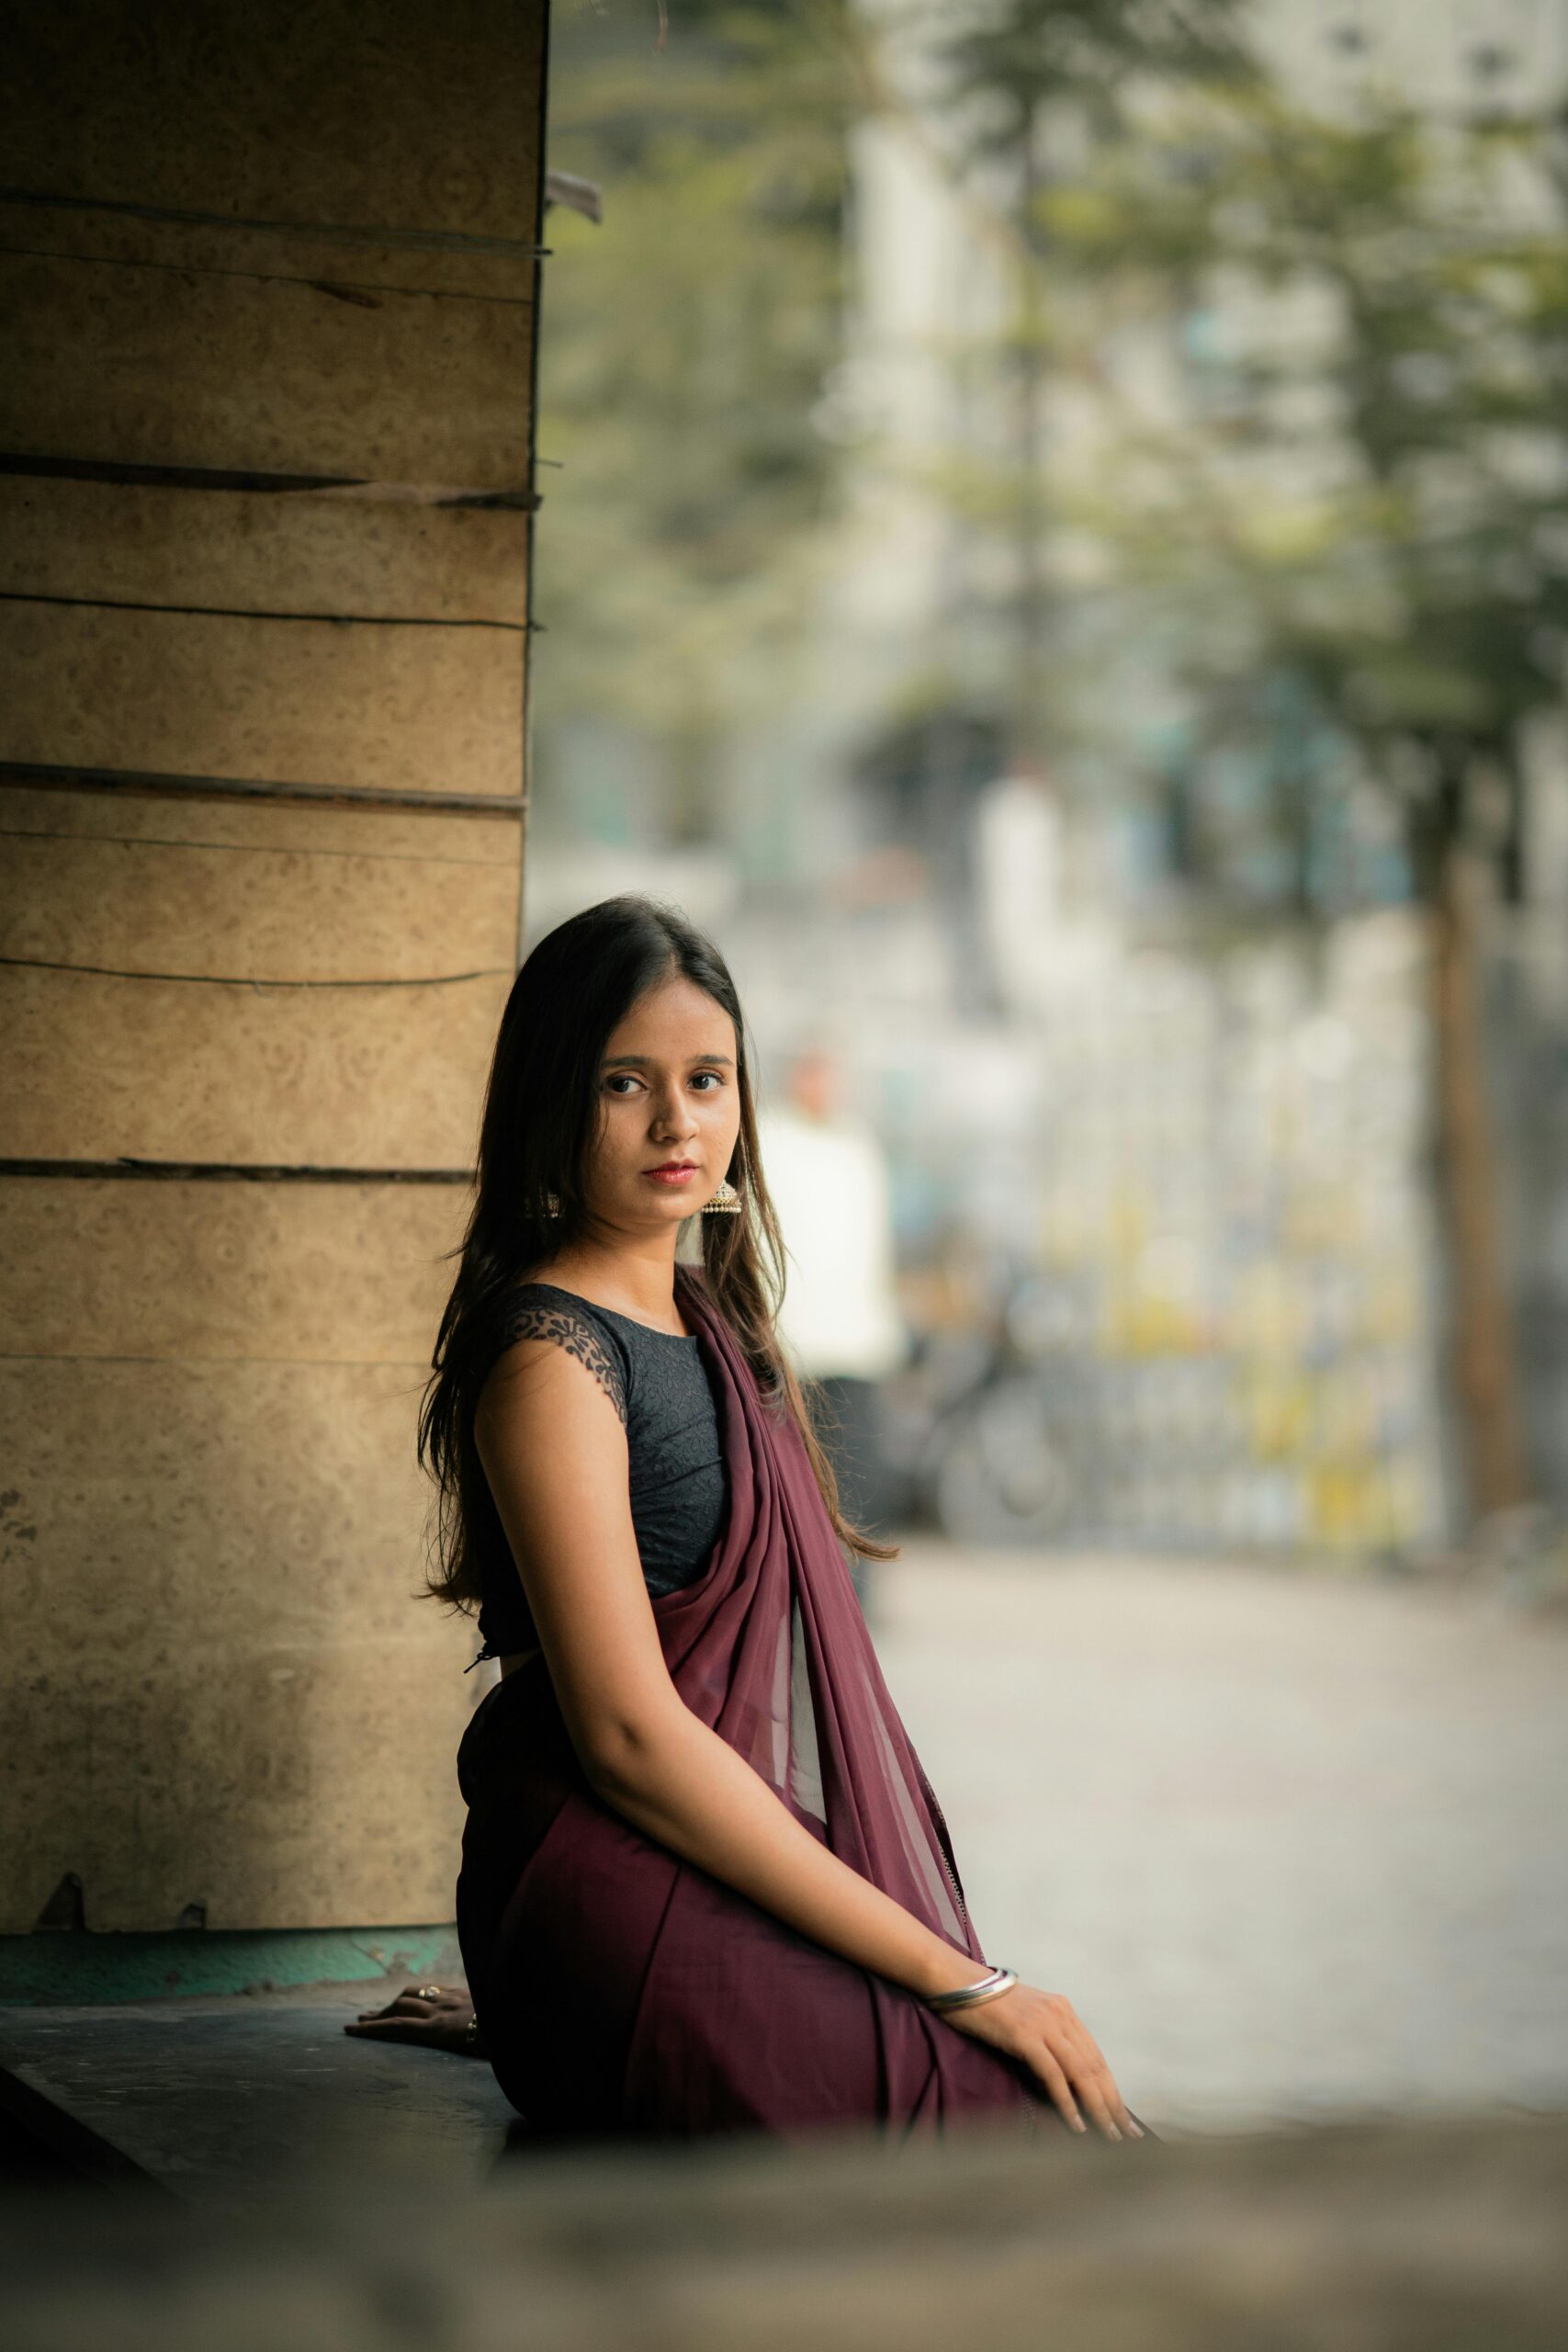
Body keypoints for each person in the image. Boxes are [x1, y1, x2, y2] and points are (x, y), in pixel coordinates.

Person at [350, 895, 1145, 2147]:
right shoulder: (552, 1356)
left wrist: (925, 1969)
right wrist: (962, 1978)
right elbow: (624, 1736)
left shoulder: (717, 1329)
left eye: (706, 1079)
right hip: (611, 1886)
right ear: (553, 1100)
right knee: (1005, 2120)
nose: (677, 1122)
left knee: (1053, 2107)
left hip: (713, 1860)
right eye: (624, 1083)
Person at [757, 1046, 908, 1583]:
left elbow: (874, 1247)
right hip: (790, 1342)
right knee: (790, 1478)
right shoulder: (769, 1142)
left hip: (856, 1343)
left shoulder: (858, 1148)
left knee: (857, 1480)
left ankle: (855, 1596)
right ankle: (794, 1591)